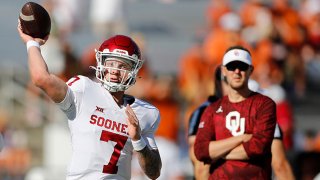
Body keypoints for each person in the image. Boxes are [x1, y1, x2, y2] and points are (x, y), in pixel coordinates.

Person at [17, 22, 162, 179]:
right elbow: (41, 78)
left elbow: (154, 173)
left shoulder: (145, 112)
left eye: (123, 65)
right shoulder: (83, 90)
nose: (114, 70)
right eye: (110, 63)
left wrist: (137, 139)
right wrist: (32, 43)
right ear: (100, 63)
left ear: (133, 71)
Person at [188, 66, 295, 180]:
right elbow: (280, 165)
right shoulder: (207, 111)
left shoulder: (209, 110)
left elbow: (201, 157)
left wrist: (217, 154)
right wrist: (241, 139)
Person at [194, 45, 276, 179]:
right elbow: (200, 151)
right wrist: (241, 138)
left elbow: (258, 147)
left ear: (250, 70)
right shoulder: (212, 109)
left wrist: (216, 153)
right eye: (231, 67)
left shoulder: (264, 104)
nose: (237, 71)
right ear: (224, 71)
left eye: (242, 66)